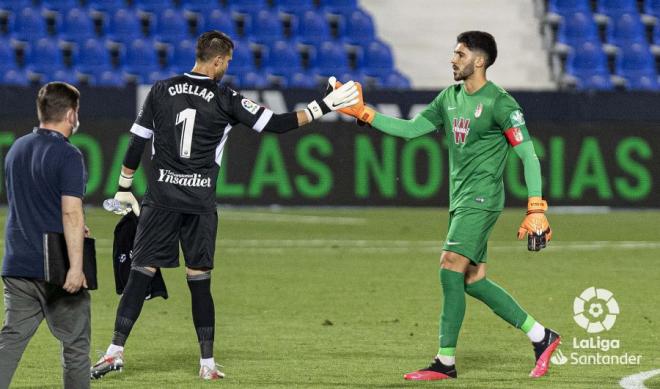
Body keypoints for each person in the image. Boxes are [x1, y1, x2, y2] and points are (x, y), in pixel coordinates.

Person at [90, 30, 359, 381]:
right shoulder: (225, 97)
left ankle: (114, 353)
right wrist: (324, 105)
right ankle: (207, 365)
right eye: (227, 62)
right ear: (217, 60)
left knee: (142, 272)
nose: (227, 68)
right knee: (199, 279)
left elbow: (137, 140)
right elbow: (277, 125)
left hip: (160, 200)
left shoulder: (160, 89)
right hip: (200, 204)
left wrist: (124, 186)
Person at [335, 31, 559, 380]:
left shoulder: (501, 104)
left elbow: (528, 154)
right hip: (460, 199)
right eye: (454, 53)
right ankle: (542, 336)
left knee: (449, 264)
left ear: (479, 61)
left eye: (460, 54)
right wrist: (365, 114)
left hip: (482, 199)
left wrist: (536, 208)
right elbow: (410, 130)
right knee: (472, 279)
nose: (453, 59)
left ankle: (445, 361)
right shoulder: (449, 98)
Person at [0, 82, 90, 389]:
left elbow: (32, 203)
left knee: (9, 343)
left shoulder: (17, 148)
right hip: (57, 270)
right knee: (76, 347)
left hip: (17, 264)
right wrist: (76, 267)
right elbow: (70, 213)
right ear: (70, 114)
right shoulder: (68, 155)